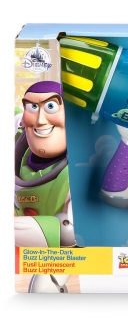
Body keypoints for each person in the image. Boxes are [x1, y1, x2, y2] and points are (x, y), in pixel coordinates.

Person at [14, 81, 76, 293]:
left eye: (51, 106)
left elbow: (70, 232)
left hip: (62, 242)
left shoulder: (78, 168)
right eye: (32, 107)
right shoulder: (17, 149)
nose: (40, 120)